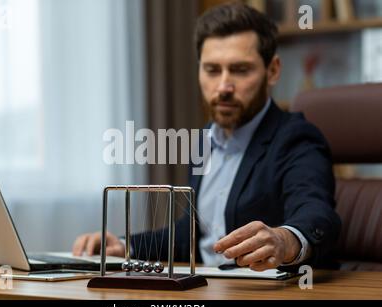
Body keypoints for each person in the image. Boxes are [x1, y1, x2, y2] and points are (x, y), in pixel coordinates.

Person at [72, 3, 341, 271]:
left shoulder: (297, 138)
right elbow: (194, 234)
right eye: (212, 70)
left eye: (240, 70)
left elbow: (316, 213)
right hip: (206, 290)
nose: (223, 86)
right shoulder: (204, 140)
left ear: (272, 71)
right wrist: (125, 246)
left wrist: (285, 240)